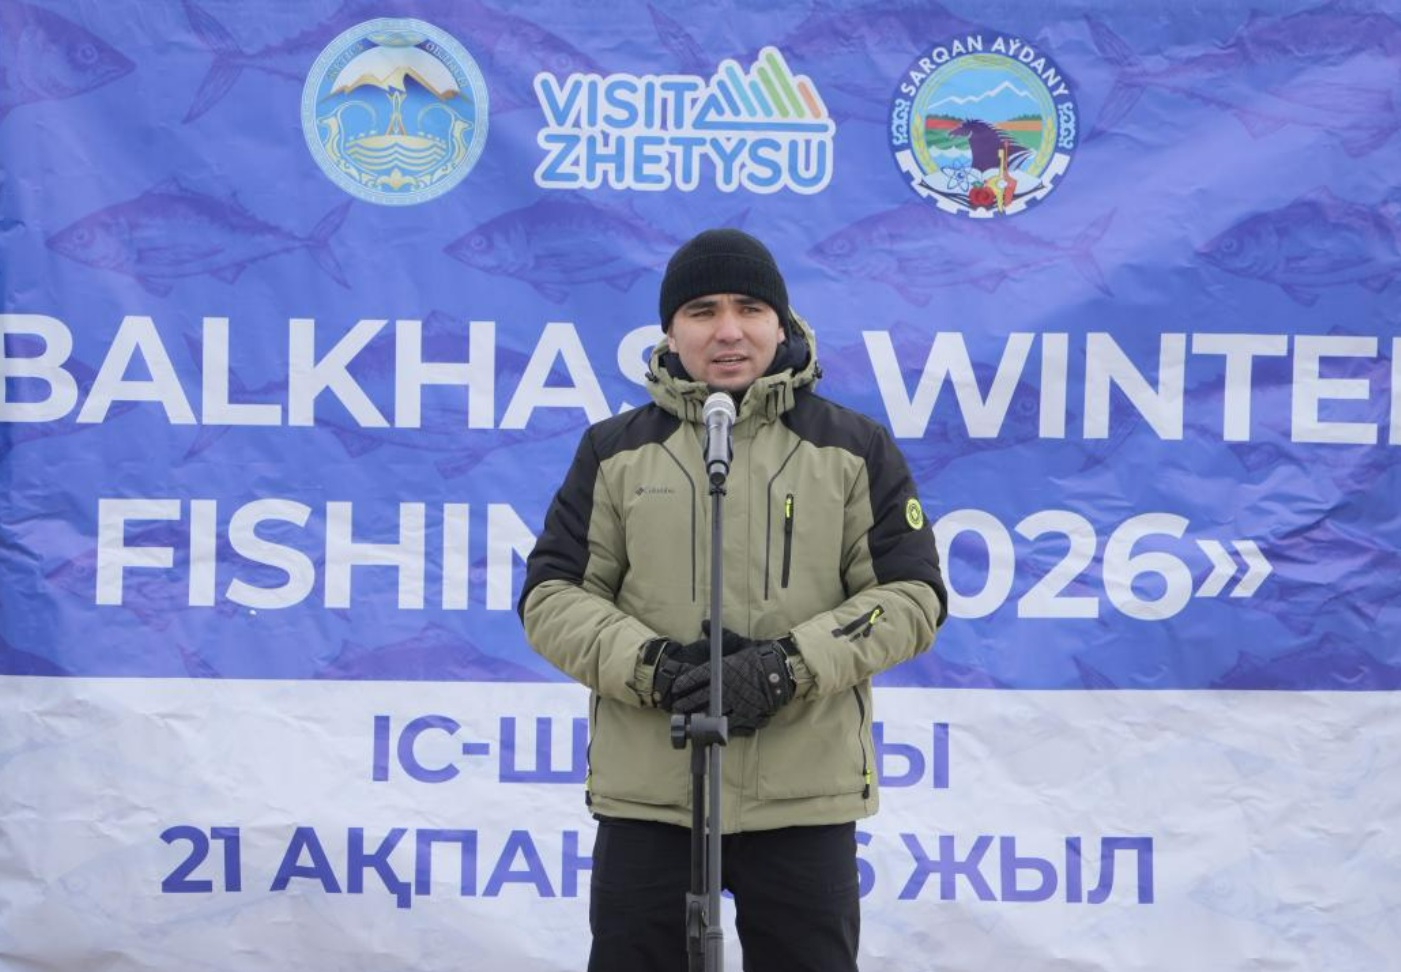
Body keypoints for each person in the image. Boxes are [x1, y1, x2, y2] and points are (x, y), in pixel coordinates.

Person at [518, 228, 948, 972]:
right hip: (653, 799)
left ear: (780, 324)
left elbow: (909, 596)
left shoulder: (852, 448)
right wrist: (653, 668)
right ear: (669, 332)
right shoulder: (614, 452)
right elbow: (552, 595)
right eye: (702, 311)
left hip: (802, 800)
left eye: (749, 308)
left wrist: (786, 667)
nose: (727, 330)